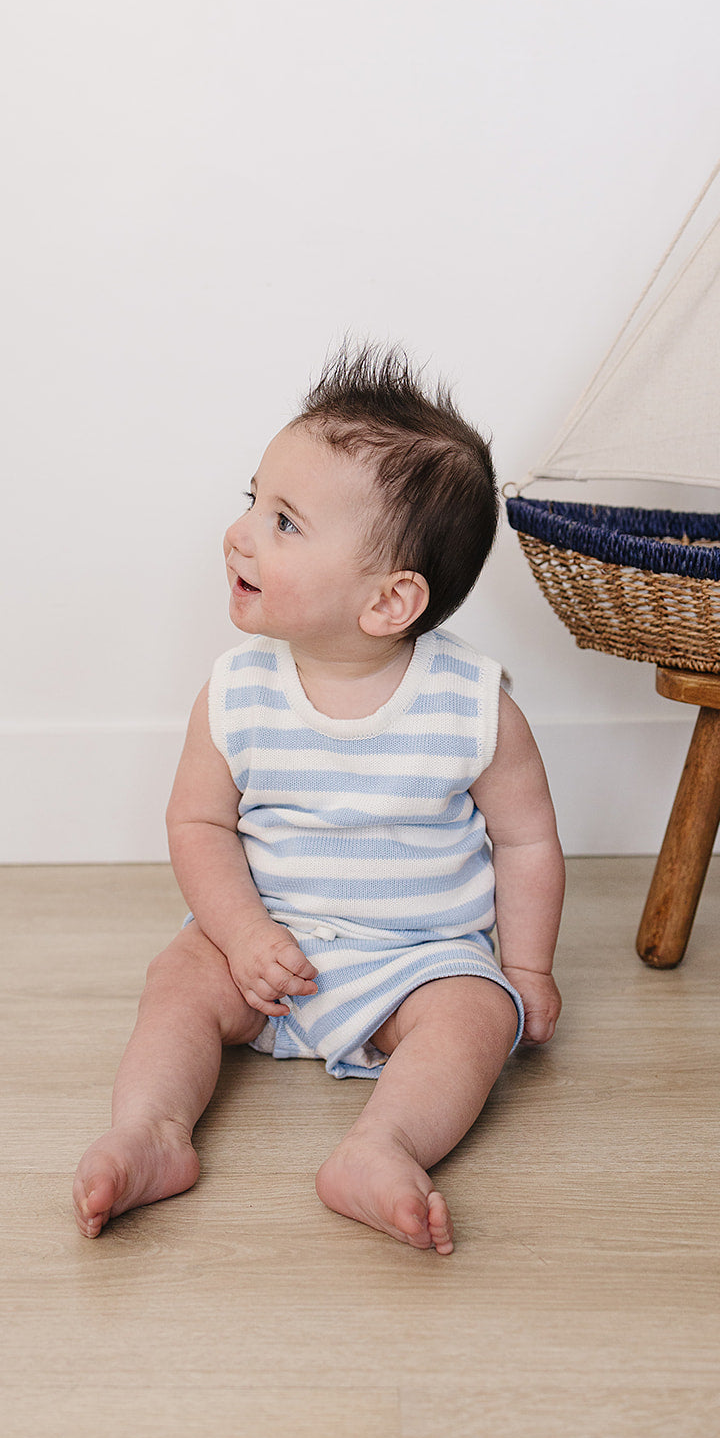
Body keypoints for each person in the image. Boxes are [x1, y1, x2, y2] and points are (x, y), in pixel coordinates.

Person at [73, 346, 564, 1254]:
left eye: (285, 522)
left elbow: (526, 841)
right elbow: (198, 825)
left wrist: (524, 969)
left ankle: (381, 1147)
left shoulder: (471, 706)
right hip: (264, 945)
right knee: (177, 981)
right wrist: (242, 934)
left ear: (389, 601)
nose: (241, 533)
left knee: (476, 1018)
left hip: (417, 959)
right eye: (252, 498)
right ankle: (150, 1130)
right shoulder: (235, 695)